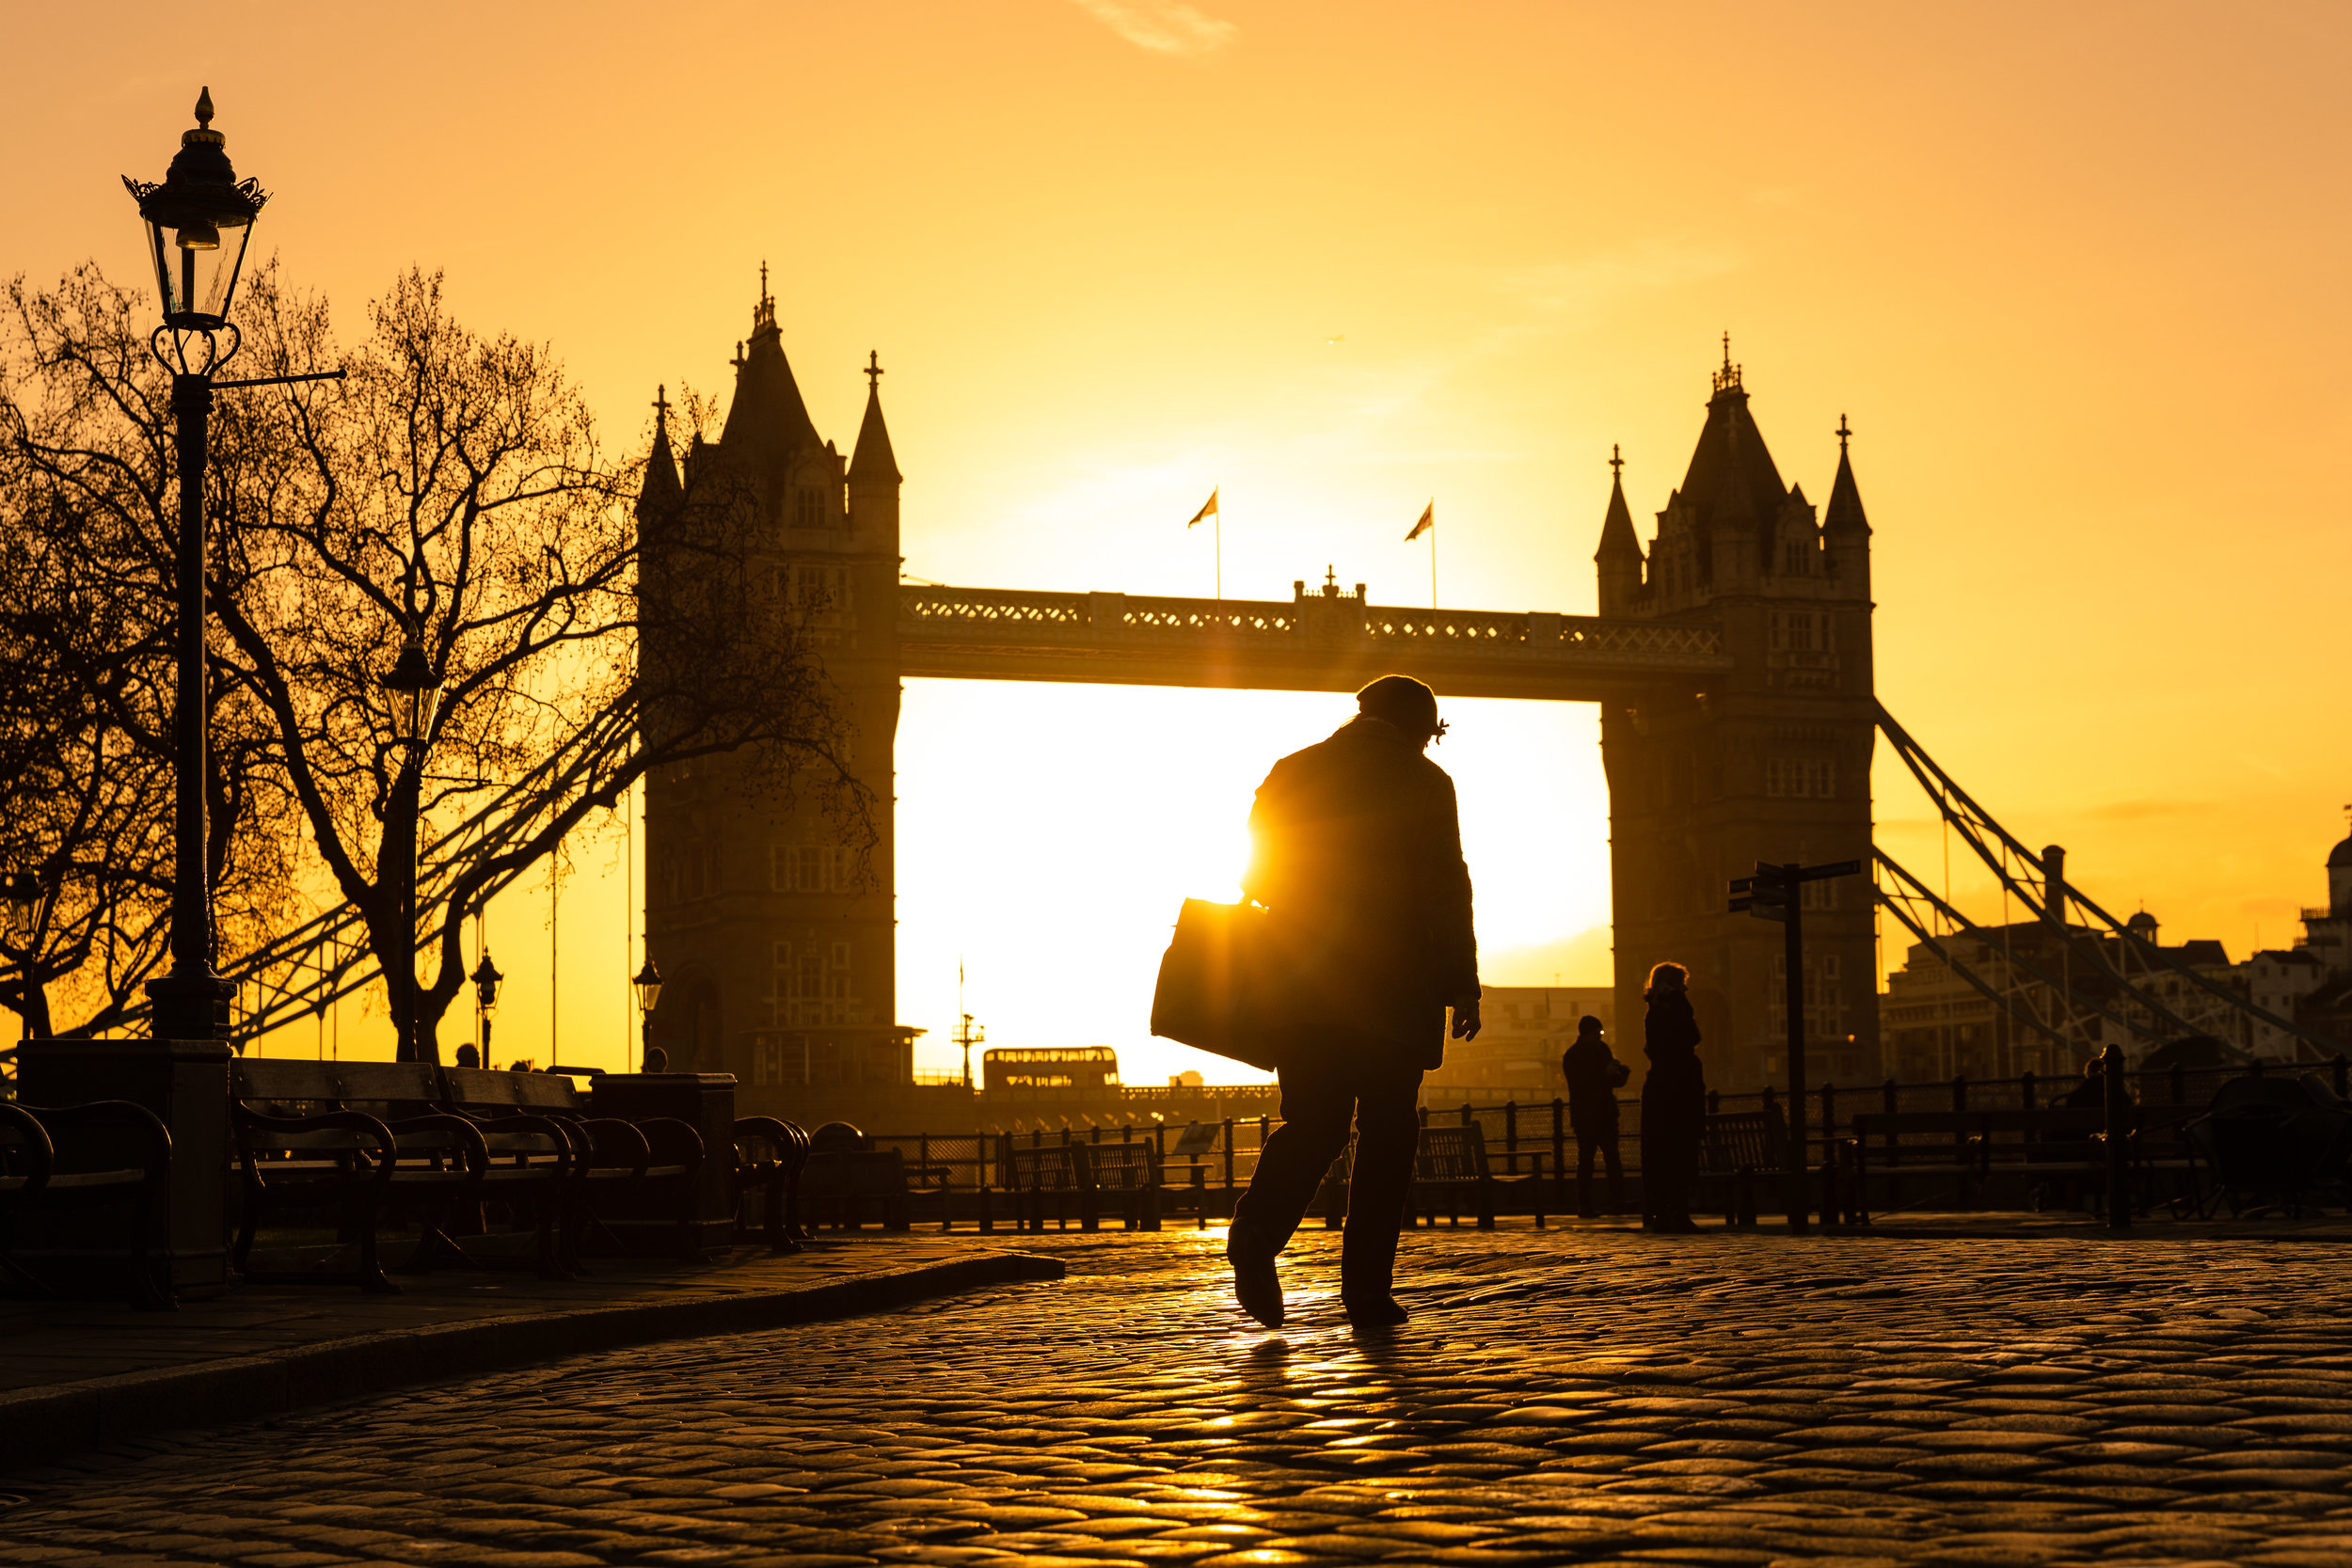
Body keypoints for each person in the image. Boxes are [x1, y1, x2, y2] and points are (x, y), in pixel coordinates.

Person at [1226, 673, 1480, 1329]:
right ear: (1418, 727)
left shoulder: (1291, 769)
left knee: (1315, 1121)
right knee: (1389, 1131)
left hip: (1301, 985)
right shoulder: (1426, 782)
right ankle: (1366, 1291)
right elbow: (1444, 888)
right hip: (1391, 991)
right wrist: (1461, 983)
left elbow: (1254, 874)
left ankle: (1257, 1229)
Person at [1638, 962, 1706, 1233]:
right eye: (1681, 984)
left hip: (1660, 1089)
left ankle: (1663, 1212)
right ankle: (1676, 1212)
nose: (1685, 989)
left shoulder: (1653, 1013)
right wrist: (1677, 998)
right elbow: (1691, 1035)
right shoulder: (1675, 1010)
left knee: (1660, 1154)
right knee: (1679, 1151)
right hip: (1678, 1090)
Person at [1560, 1015, 1629, 1217]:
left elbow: (1609, 1082)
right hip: (1588, 1115)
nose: (1600, 1037)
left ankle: (1616, 1202)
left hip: (1600, 1113)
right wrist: (1606, 1074)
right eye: (1598, 1033)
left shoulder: (1597, 1050)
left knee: (1611, 1159)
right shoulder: (1573, 1056)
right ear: (1588, 1033)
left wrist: (1620, 1075)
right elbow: (1583, 1083)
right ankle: (1587, 1205)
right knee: (1589, 1160)